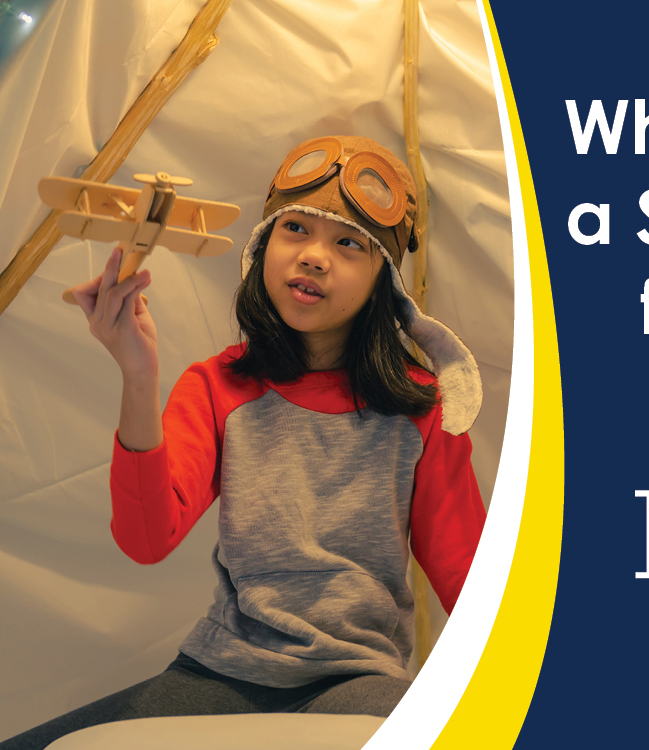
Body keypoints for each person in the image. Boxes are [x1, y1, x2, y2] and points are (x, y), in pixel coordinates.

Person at [0, 136, 487, 749]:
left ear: (382, 281)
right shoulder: (217, 387)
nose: (314, 256)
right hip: (220, 672)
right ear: (262, 250)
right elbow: (146, 540)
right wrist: (137, 374)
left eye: (348, 244)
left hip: (357, 677)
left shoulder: (423, 409)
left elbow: (469, 578)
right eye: (295, 230)